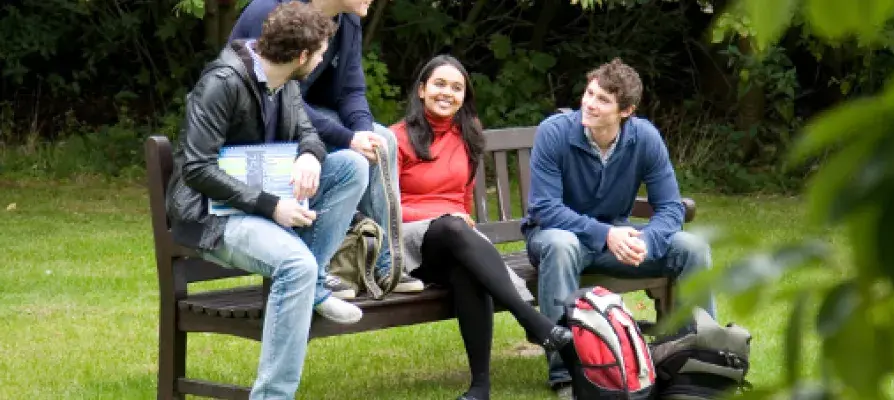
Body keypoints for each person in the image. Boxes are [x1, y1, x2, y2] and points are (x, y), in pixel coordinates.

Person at [166, 4, 367, 398]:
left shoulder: (286, 82)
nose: (326, 58)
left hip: (258, 203)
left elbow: (309, 133)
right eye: (323, 52)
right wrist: (272, 206)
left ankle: (311, 283)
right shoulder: (221, 83)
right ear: (302, 56)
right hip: (211, 215)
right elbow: (197, 170)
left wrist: (310, 155)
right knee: (296, 265)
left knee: (351, 167)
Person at [522, 57, 717, 399]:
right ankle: (565, 373)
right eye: (590, 93)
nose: (589, 103)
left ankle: (697, 360)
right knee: (561, 244)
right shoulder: (554, 133)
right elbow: (545, 209)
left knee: (693, 247)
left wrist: (648, 240)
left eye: (602, 100)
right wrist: (606, 235)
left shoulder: (645, 138)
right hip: (557, 238)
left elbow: (671, 206)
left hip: (616, 239)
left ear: (626, 111)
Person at [392, 55, 573, 400]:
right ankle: (533, 322)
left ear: (465, 96)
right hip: (407, 244)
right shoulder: (395, 139)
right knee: (451, 226)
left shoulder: (467, 138)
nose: (447, 93)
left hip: (451, 241)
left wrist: (455, 219)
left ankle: (481, 387)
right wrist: (443, 216)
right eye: (440, 84)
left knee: (467, 267)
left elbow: (462, 204)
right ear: (421, 90)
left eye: (456, 87)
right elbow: (386, 208)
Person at [230, 0, 424, 299]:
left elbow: (351, 91)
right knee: (360, 150)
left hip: (303, 120)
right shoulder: (269, 11)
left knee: (379, 139)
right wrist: (346, 139)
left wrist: (361, 131)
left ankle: (386, 265)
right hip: (259, 133)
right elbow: (274, 96)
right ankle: (316, 271)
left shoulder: (347, 22)